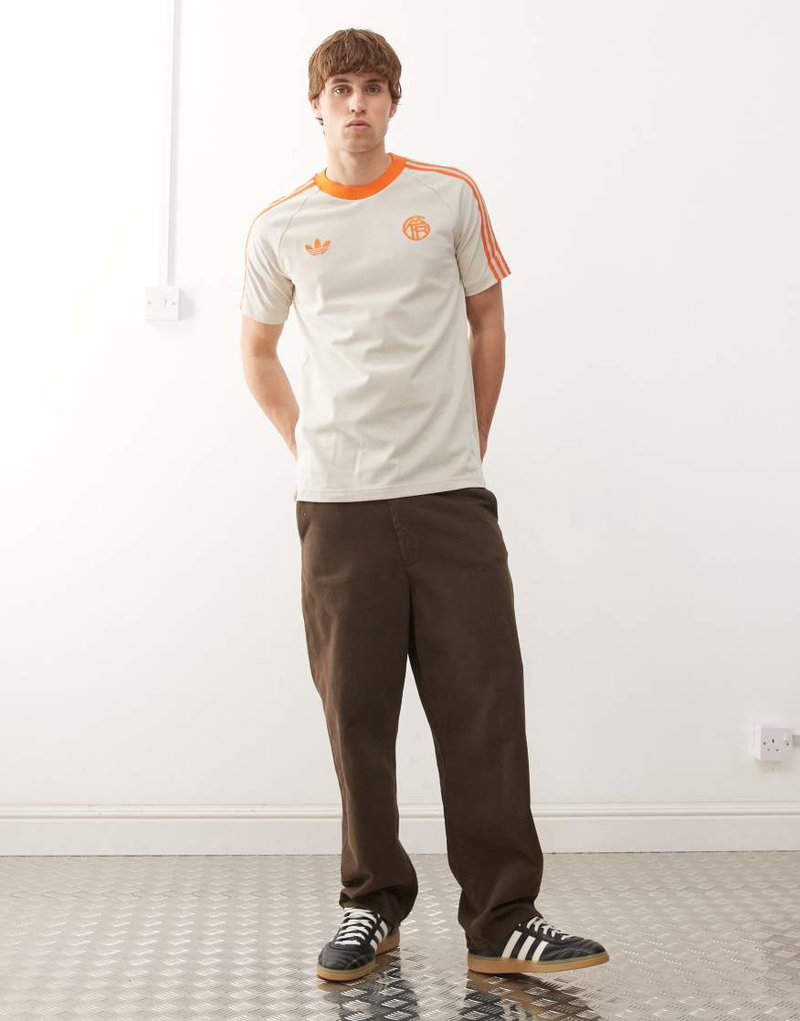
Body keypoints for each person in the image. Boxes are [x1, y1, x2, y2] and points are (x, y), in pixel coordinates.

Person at [239, 27, 609, 983]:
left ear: (394, 102)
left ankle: (503, 918)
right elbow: (257, 351)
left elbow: (488, 319)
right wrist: (307, 445)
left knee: (483, 702)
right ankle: (371, 905)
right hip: (340, 506)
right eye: (340, 89)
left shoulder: (447, 197)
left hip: (448, 496)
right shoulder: (280, 225)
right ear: (316, 106)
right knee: (355, 711)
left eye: (373, 87)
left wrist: (468, 442)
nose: (357, 103)